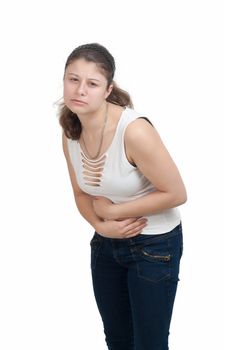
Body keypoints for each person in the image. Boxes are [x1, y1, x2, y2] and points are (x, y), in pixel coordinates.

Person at [58, 42, 187, 350]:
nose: (80, 90)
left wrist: (114, 213)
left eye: (92, 83)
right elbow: (80, 193)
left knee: (149, 345)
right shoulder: (70, 128)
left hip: (154, 245)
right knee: (118, 341)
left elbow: (177, 193)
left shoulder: (134, 131)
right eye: (73, 79)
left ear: (108, 89)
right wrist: (101, 226)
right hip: (105, 245)